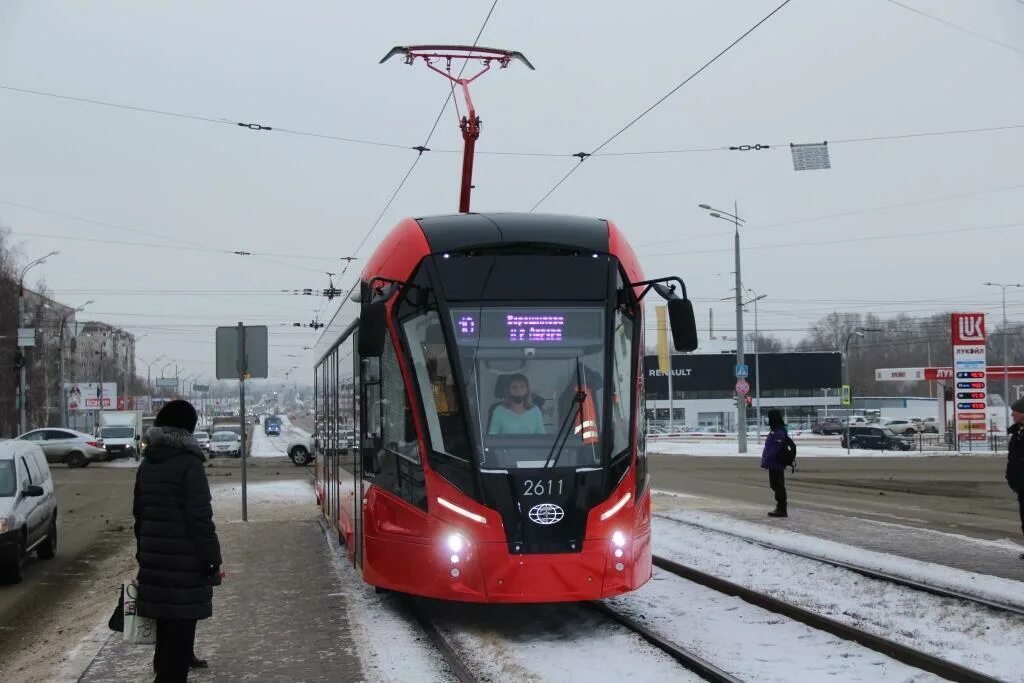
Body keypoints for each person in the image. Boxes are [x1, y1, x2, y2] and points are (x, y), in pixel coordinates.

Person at [134, 400, 222, 682]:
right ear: (188, 428)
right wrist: (212, 562)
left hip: (154, 561)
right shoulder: (189, 465)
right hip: (185, 566)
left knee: (165, 630)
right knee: (180, 641)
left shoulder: (147, 465)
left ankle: (164, 668)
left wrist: (143, 554)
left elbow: (139, 516)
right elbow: (200, 521)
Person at [760, 409, 789, 518]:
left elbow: (775, 449)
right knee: (775, 485)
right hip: (773, 462)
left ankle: (782, 509)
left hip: (776, 462)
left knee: (778, 485)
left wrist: (767, 459)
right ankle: (780, 507)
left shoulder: (779, 431)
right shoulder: (775, 430)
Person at [1006, 398, 1024, 559]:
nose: (1012, 414)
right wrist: (1011, 478)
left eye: (1015, 412)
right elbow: (1013, 459)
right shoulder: (1017, 431)